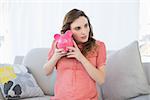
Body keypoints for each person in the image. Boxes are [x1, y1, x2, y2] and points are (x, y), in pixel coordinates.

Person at [43, 8, 106, 100]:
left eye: (86, 25)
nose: (84, 32)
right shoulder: (58, 43)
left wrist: (81, 57)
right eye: (78, 28)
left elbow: (101, 80)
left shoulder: (99, 46)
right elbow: (46, 72)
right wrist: (55, 57)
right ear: (69, 31)